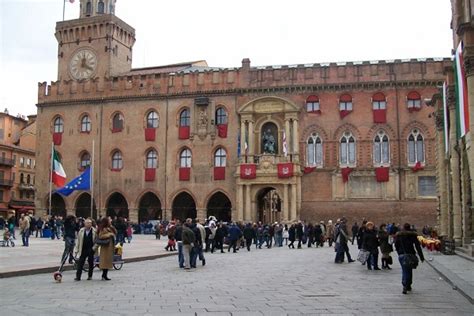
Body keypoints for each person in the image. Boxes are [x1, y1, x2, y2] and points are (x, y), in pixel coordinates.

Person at [395, 223, 425, 294]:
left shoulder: (399, 235)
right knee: (409, 270)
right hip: (410, 254)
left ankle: (405, 284)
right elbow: (417, 246)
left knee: (404, 270)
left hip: (402, 254)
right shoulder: (413, 235)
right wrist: (421, 257)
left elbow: (396, 245)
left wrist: (399, 253)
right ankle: (407, 285)